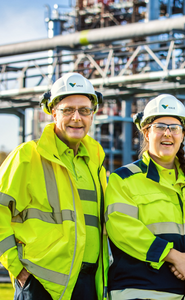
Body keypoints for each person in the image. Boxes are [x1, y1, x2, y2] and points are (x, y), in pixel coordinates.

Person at [104, 94, 185, 300]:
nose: (167, 134)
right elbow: (123, 230)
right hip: (140, 293)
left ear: (183, 135)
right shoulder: (124, 179)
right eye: (160, 126)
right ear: (146, 132)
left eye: (174, 128)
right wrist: (174, 257)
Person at [0, 72, 108, 300]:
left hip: (88, 282)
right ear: (52, 112)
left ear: (92, 114)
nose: (77, 117)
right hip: (40, 282)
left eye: (84, 110)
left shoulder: (95, 161)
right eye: (68, 110)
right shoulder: (28, 156)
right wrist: (17, 268)